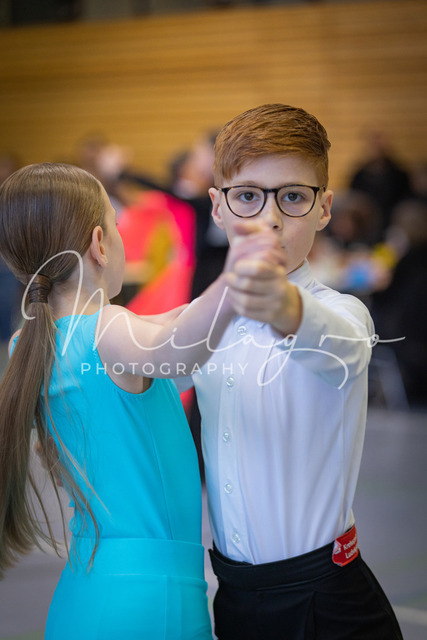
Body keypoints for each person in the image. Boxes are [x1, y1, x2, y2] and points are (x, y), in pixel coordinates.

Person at [0, 162, 281, 639]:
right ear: (99, 243)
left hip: (85, 592)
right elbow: (177, 349)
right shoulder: (108, 328)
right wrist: (237, 277)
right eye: (116, 224)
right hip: (148, 599)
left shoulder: (27, 343)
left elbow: (172, 324)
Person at [177, 104, 403, 640]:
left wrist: (283, 306)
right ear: (217, 207)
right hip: (233, 597)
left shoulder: (345, 312)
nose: (270, 218)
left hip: (327, 602)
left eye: (294, 197)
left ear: (324, 209)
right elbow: (143, 367)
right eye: (248, 196)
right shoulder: (199, 322)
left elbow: (341, 347)